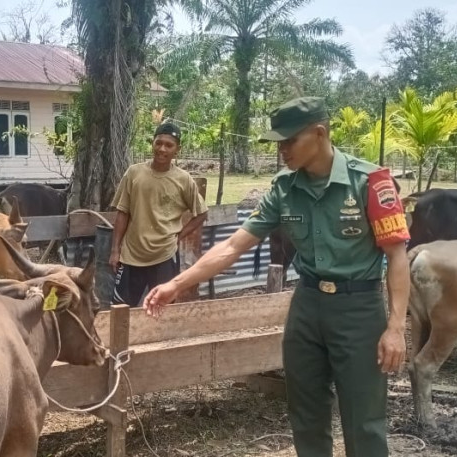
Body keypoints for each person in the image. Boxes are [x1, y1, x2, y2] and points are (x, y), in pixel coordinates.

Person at [143, 97, 411, 457]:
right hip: (307, 307)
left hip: (359, 310)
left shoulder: (369, 182)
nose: (282, 150)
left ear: (319, 133)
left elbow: (397, 255)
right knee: (306, 413)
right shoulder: (284, 189)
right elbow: (234, 246)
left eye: (289, 141)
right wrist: (176, 284)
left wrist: (395, 327)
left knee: (363, 420)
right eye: (278, 143)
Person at [108, 121, 209, 307]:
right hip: (131, 255)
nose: (162, 149)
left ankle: (156, 338)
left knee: (161, 310)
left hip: (164, 256)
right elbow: (122, 212)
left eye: (169, 145)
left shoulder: (183, 180)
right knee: (120, 309)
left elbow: (201, 214)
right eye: (158, 143)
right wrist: (115, 250)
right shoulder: (134, 173)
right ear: (152, 143)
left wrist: (179, 235)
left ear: (177, 149)